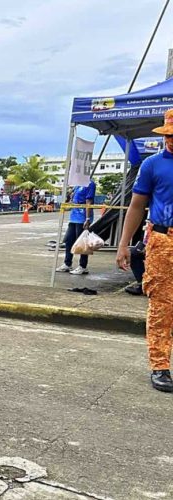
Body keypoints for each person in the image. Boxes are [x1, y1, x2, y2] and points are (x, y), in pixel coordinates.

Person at [117, 109, 173, 393]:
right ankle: (160, 365)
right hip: (163, 241)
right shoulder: (152, 165)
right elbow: (137, 206)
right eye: (169, 135)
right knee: (162, 307)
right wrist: (124, 243)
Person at [56, 180, 96, 275]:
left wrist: (87, 218)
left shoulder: (90, 184)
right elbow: (73, 200)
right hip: (74, 217)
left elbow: (88, 201)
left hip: (82, 217)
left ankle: (83, 266)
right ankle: (67, 263)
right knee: (69, 240)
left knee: (83, 243)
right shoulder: (77, 185)